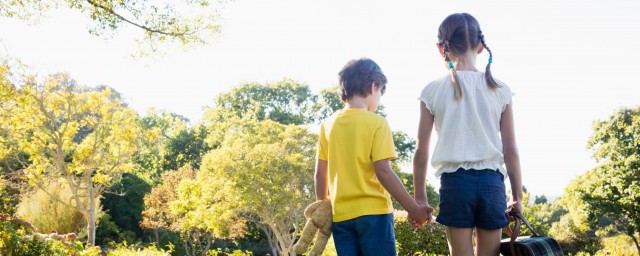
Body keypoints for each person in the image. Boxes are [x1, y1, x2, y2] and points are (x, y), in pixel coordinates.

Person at [412, 13, 524, 256]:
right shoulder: (501, 90)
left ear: (441, 47)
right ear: (481, 46)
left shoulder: (431, 91)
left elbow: (421, 150)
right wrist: (517, 197)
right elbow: (511, 150)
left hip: (455, 185)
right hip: (492, 185)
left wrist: (419, 198)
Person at [315, 58, 433, 256]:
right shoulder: (377, 123)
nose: (378, 101)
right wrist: (413, 209)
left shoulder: (327, 125)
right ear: (373, 85)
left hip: (341, 217)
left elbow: (320, 173)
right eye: (380, 94)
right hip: (374, 214)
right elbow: (383, 171)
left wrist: (322, 208)